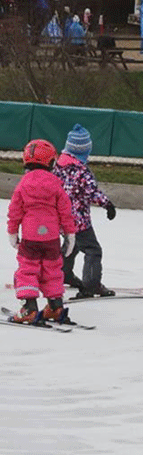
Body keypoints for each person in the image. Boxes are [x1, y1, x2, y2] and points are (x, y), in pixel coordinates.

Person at [7, 139, 76, 324]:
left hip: (30, 238)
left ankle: (29, 308)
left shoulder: (23, 184)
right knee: (52, 270)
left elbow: (15, 210)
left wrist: (13, 232)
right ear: (51, 162)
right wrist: (70, 234)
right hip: (51, 238)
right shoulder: (56, 184)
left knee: (28, 270)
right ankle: (55, 306)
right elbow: (65, 210)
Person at [52, 124, 117, 298]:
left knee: (70, 246)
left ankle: (62, 274)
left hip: (61, 219)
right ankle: (91, 285)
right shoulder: (82, 171)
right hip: (78, 221)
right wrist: (108, 205)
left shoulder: (57, 167)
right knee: (93, 250)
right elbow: (92, 191)